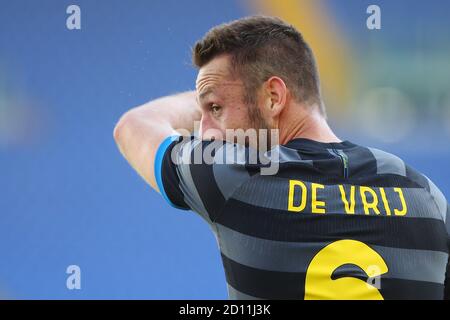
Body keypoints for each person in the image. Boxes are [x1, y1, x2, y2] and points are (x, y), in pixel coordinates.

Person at [114, 16, 449, 299]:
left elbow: (134, 126)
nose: (206, 133)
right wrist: (221, 93)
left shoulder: (235, 177)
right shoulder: (427, 197)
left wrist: (201, 97)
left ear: (273, 97)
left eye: (215, 109)